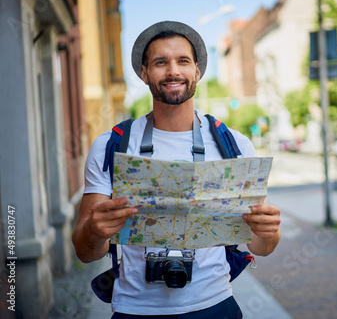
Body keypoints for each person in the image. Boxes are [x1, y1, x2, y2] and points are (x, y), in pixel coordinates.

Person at [72, 21, 281, 318]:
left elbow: (261, 247)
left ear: (197, 71)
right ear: (144, 74)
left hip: (216, 305)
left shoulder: (235, 144)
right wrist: (94, 230)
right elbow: (85, 251)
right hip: (135, 310)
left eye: (183, 61)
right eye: (160, 62)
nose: (173, 71)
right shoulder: (111, 145)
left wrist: (269, 232)